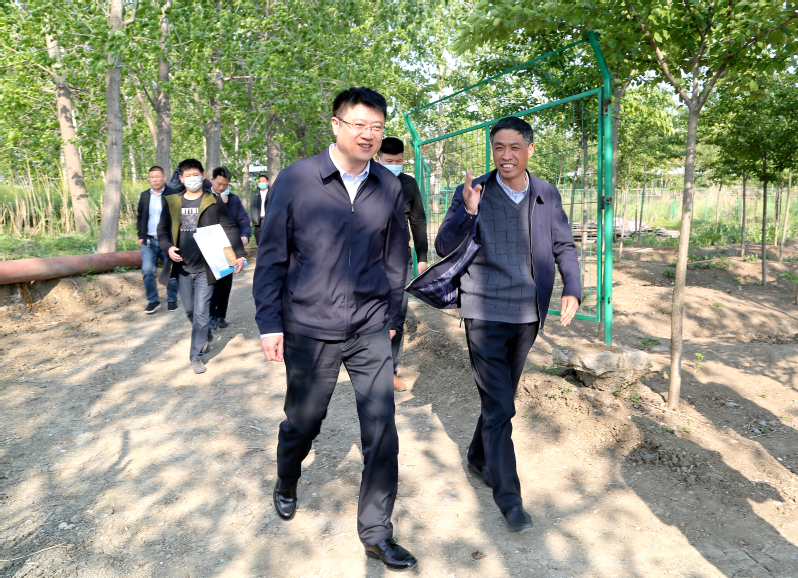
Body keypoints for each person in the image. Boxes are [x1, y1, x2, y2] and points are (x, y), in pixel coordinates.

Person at [253, 88, 417, 571]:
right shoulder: (297, 179)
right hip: (309, 324)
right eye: (359, 124)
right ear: (336, 124)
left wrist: (392, 317)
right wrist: (269, 323)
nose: (368, 134)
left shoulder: (388, 186)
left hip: (369, 325)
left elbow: (395, 257)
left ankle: (377, 532)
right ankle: (287, 477)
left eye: (377, 127)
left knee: (382, 430)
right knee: (304, 421)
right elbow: (272, 255)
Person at [432, 116, 581, 533]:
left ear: (530, 149)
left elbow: (563, 243)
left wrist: (572, 286)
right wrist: (468, 211)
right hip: (483, 310)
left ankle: (478, 457)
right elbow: (444, 246)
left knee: (501, 398)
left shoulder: (545, 193)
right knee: (500, 406)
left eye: (515, 147)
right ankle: (510, 500)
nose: (506, 155)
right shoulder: (473, 191)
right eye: (499, 147)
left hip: (527, 312)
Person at [157, 158, 246, 374]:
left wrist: (240, 255)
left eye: (195, 175)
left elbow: (230, 228)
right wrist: (168, 247)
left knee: (201, 313)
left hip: (206, 268)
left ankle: (196, 355)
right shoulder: (172, 202)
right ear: (181, 178)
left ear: (202, 175)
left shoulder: (214, 203)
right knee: (190, 310)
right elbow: (162, 230)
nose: (192, 179)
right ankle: (205, 333)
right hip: (182, 268)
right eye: (187, 176)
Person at [374, 137, 428, 392]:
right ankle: (369, 367)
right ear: (378, 159)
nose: (395, 165)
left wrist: (422, 256)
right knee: (370, 313)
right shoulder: (366, 180)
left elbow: (418, 220)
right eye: (389, 161)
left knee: (397, 314)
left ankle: (389, 371)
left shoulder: (408, 184)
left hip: (399, 259)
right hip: (369, 258)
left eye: (399, 161)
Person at [208, 166, 251, 330]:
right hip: (210, 247)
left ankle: (221, 315)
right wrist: (219, 202)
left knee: (225, 284)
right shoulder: (204, 197)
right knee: (212, 283)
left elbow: (243, 219)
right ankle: (211, 315)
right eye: (219, 184)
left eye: (225, 185)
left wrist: (245, 234)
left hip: (228, 249)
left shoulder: (233, 199)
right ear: (212, 180)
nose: (221, 187)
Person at [137, 166, 179, 313]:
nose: (155, 180)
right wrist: (141, 235)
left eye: (157, 176)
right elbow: (140, 216)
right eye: (152, 177)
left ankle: (172, 299)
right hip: (149, 240)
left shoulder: (173, 194)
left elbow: (178, 218)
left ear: (164, 177)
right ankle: (153, 301)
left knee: (171, 272)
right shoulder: (144, 195)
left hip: (168, 241)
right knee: (147, 270)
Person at [250, 174, 269, 244]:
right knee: (259, 239)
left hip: (268, 219)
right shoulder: (255, 194)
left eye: (263, 181)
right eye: (260, 181)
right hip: (258, 220)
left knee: (268, 239)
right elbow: (252, 207)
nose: (261, 183)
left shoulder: (272, 193)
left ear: (267, 182)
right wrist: (250, 219)